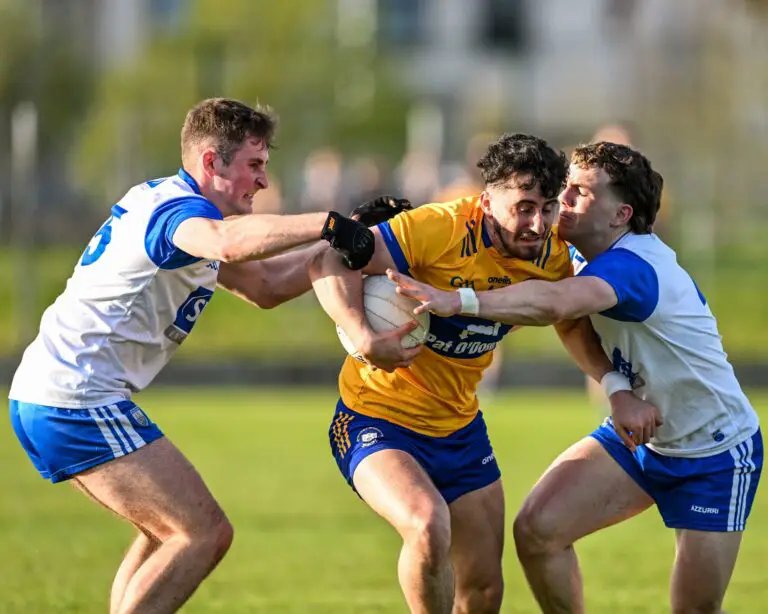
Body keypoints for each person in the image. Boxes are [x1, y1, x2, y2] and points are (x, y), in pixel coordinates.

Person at [7, 97, 379, 614]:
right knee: (204, 533)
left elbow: (267, 284)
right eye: (254, 165)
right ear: (211, 162)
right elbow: (227, 243)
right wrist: (328, 222)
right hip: (76, 398)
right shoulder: (180, 214)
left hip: (60, 395)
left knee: (168, 534)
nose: (263, 182)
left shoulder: (183, 216)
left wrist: (355, 236)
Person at [389, 141, 762, 613]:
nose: (560, 201)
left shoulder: (637, 267)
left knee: (693, 609)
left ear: (620, 214)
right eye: (564, 189)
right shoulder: (571, 247)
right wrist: (387, 236)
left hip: (714, 452)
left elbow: (556, 305)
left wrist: (458, 300)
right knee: (538, 530)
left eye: (579, 193)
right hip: (637, 438)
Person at [308, 134, 652, 614]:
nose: (537, 224)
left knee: (485, 591)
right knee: (426, 525)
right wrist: (362, 337)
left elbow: (571, 326)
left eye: (548, 208)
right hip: (375, 417)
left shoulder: (553, 253)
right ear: (487, 200)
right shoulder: (439, 229)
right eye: (524, 207)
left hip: (459, 430)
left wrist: (614, 387)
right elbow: (328, 259)